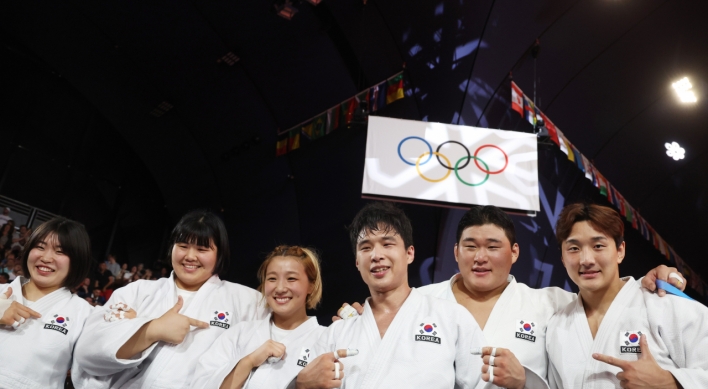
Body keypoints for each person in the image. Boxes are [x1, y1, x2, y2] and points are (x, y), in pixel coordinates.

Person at [414, 205, 686, 389]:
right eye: (470, 246)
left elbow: (607, 296)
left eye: (493, 247)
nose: (480, 257)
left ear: (515, 253)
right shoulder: (416, 302)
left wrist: (656, 278)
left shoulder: (552, 304)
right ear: (456, 252)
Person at [296, 202, 485, 389]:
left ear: (409, 253)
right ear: (356, 262)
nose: (376, 255)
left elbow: (483, 385)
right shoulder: (337, 333)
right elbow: (307, 381)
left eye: (387, 244)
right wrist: (299, 385)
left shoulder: (451, 317)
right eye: (366, 248)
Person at [73, 210, 270, 388]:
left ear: (220, 254)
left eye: (202, 250)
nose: (190, 256)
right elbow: (87, 353)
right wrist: (151, 330)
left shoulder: (247, 301)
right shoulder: (139, 292)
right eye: (183, 246)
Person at [546, 203, 708, 388]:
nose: (586, 260)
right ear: (562, 259)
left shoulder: (663, 303)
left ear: (620, 251)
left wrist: (670, 382)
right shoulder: (556, 327)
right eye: (574, 248)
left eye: (598, 246)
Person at [193, 245, 326, 389]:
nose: (280, 288)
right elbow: (201, 384)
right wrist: (248, 362)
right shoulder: (240, 333)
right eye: (272, 279)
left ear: (311, 285)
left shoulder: (325, 339)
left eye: (291, 278)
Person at [0, 217, 93, 389]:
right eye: (40, 247)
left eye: (60, 251)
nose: (46, 257)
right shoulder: (1, 292)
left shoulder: (84, 314)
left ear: (77, 260)